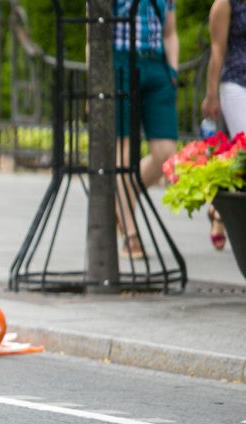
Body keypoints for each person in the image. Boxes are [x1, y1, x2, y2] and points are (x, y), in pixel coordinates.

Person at [112, 0, 179, 259]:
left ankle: (120, 202)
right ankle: (130, 233)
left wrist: (172, 70)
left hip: (157, 66)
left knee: (166, 153)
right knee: (125, 150)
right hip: (120, 62)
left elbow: (170, 31)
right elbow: (93, 36)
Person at [202, 0, 246, 250]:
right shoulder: (225, 4)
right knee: (243, 153)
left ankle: (219, 211)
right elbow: (217, 51)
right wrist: (211, 94)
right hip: (237, 84)